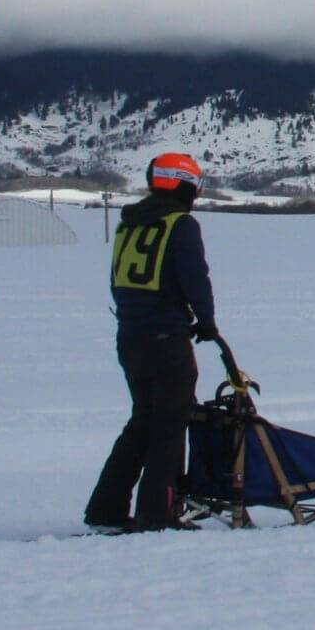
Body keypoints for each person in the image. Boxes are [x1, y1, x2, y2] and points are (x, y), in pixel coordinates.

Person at [84, 151, 220, 531]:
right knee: (170, 426)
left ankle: (106, 507)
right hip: (167, 342)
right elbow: (196, 278)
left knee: (142, 422)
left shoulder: (129, 225)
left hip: (130, 338)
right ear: (185, 186)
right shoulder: (180, 225)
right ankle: (158, 513)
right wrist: (206, 322)